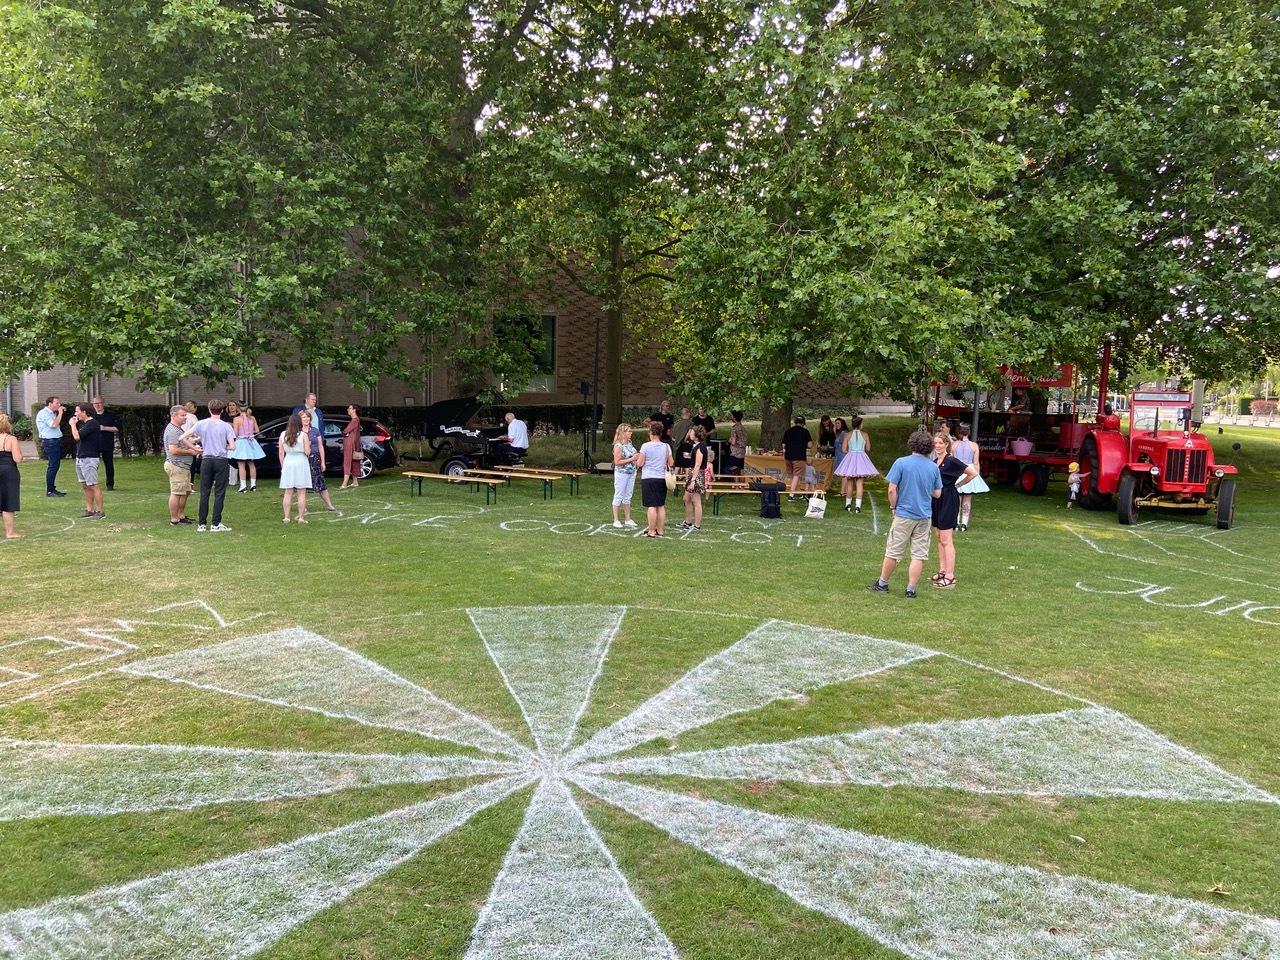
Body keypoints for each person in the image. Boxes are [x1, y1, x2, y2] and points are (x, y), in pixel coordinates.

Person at [867, 429, 943, 599]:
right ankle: (911, 589)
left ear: (912, 444)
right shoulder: (933, 467)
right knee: (918, 555)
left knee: (893, 551)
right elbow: (938, 493)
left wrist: (893, 508)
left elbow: (891, 490)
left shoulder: (901, 463)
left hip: (904, 514)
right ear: (929, 447)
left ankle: (882, 584)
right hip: (924, 516)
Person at [929, 432, 978, 589]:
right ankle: (943, 570)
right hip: (936, 499)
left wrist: (957, 486)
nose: (937, 446)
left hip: (948, 499)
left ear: (947, 444)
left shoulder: (952, 461)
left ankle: (950, 576)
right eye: (935, 443)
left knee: (946, 538)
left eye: (940, 443)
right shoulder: (935, 461)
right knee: (938, 536)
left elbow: (972, 473)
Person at [183, 399, 236, 532]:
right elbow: (233, 446)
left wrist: (195, 449)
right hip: (221, 460)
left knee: (204, 492)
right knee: (219, 492)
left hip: (206, 460)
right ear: (222, 410)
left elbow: (182, 437)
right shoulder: (226, 426)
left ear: (209, 410)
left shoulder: (202, 423)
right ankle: (215, 524)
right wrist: (223, 445)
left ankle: (201, 524)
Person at [162, 405, 198, 527]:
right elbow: (173, 450)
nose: (185, 418)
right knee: (177, 492)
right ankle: (174, 519)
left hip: (184, 466)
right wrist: (191, 452)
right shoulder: (172, 430)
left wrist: (195, 441)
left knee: (185, 491)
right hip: (176, 465)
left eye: (185, 415)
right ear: (174, 415)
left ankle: (181, 515)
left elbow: (181, 443)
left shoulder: (178, 429)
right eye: (182, 415)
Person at [68, 403, 105, 520]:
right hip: (81, 458)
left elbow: (77, 437)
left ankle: (100, 511)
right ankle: (90, 510)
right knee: (85, 485)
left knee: (93, 485)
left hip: (89, 458)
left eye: (77, 411)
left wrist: (72, 425)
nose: (76, 414)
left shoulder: (92, 424)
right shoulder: (85, 424)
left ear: (84, 412)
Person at [833, 415, 878, 513]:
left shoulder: (847, 435)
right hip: (861, 458)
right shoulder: (865, 434)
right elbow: (868, 448)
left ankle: (848, 505)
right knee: (860, 484)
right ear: (860, 424)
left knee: (849, 483)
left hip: (851, 458)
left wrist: (851, 450)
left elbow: (844, 449)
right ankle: (858, 506)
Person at [637, 421, 673, 537]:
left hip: (648, 477)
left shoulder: (645, 446)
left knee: (651, 505)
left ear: (651, 432)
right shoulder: (666, 446)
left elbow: (640, 463)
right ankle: (660, 530)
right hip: (661, 478)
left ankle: (651, 531)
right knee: (660, 505)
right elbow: (671, 462)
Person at [951, 423, 989, 530]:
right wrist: (977, 475)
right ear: (969, 432)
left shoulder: (953, 445)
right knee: (967, 499)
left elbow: (952, 460)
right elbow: (976, 462)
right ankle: (964, 524)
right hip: (970, 470)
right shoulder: (974, 446)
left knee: (957, 499)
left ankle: (956, 523)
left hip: (958, 470)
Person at [300, 410, 336, 514]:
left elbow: (320, 446)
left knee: (320, 482)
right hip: (302, 459)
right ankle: (303, 506)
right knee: (302, 483)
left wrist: (323, 462)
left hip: (315, 459)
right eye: (304, 417)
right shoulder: (298, 432)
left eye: (307, 417)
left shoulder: (315, 430)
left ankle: (329, 505)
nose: (306, 419)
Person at [278, 413, 312, 523]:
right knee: (301, 492)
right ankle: (301, 517)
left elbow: (281, 452)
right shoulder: (303, 435)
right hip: (300, 461)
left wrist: (283, 466)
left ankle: (286, 516)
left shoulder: (283, 434)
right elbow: (307, 452)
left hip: (288, 461)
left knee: (288, 492)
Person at [35, 396, 67, 497]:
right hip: (50, 442)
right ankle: (50, 490)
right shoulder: (44, 414)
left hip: (55, 441)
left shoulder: (52, 413)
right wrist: (60, 413)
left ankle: (53, 488)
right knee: (53, 466)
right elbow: (53, 425)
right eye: (57, 403)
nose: (59, 405)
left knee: (55, 465)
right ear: (50, 404)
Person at [679, 425, 710, 530]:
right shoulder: (696, 446)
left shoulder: (701, 447)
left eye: (692, 433)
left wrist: (693, 480)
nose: (690, 434)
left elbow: (698, 465)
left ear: (697, 435)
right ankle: (687, 522)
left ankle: (697, 525)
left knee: (696, 501)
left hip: (696, 475)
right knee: (686, 498)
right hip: (693, 473)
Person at [610, 423, 640, 528]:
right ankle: (616, 519)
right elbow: (617, 462)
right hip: (622, 474)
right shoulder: (618, 446)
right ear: (622, 433)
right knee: (619, 495)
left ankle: (628, 518)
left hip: (631, 473)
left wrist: (636, 462)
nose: (631, 432)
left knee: (628, 496)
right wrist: (632, 459)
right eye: (628, 431)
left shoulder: (630, 444)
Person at [230, 405, 265, 492]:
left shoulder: (236, 419)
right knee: (251, 463)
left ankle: (243, 486)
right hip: (251, 442)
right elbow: (257, 430)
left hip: (241, 442)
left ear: (238, 409)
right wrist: (249, 433)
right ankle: (253, 485)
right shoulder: (252, 418)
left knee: (241, 464)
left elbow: (235, 433)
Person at [0, 413, 24, 538]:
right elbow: (18, 458)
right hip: (9, 471)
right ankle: (10, 532)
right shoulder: (11, 439)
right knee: (8, 500)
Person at [90, 396, 120, 490]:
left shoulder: (110, 415)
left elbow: (117, 428)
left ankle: (110, 485)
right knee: (93, 465)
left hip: (107, 444)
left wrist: (105, 428)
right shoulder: (91, 416)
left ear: (103, 403)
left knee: (109, 465)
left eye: (99, 403)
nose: (97, 405)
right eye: (95, 403)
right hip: (94, 445)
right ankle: (92, 484)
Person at [781, 415, 813, 501]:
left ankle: (798, 493)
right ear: (803, 423)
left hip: (788, 456)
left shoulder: (788, 431)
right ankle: (791, 495)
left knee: (794, 476)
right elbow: (810, 445)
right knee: (797, 475)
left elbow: (783, 444)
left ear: (795, 422)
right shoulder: (805, 432)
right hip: (799, 456)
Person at [340, 404, 363, 488]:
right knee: (354, 462)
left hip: (350, 444)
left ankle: (344, 483)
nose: (348, 410)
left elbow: (346, 431)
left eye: (349, 408)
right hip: (355, 444)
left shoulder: (354, 420)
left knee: (347, 462)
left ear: (354, 410)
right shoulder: (357, 420)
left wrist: (344, 432)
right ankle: (355, 482)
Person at [727, 411, 748, 477]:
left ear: (734, 418)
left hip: (735, 453)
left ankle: (736, 486)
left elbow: (733, 442)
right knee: (741, 471)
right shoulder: (743, 428)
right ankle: (742, 486)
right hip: (742, 452)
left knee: (734, 471)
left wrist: (729, 440)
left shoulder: (735, 429)